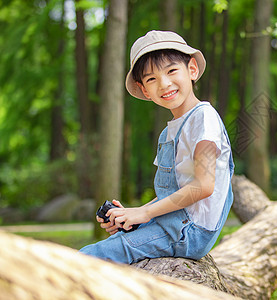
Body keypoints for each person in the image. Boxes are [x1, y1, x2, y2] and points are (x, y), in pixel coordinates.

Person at [80, 30, 234, 263]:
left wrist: (145, 213)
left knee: (92, 256)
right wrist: (134, 215)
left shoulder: (204, 117)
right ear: (144, 90)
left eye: (172, 71)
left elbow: (204, 185)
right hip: (176, 222)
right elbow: (172, 193)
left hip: (190, 231)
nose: (164, 83)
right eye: (151, 79)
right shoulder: (169, 131)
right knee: (111, 243)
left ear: (191, 69)